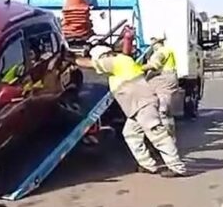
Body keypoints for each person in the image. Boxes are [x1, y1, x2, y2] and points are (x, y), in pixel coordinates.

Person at [74, 45, 187, 177]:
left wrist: (72, 57)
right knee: (130, 134)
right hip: (136, 108)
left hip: (143, 105)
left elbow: (89, 63)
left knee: (157, 135)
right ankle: (148, 165)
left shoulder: (117, 61)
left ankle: (177, 167)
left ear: (104, 56)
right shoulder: (121, 64)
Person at [142, 34, 180, 138]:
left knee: (162, 111)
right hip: (164, 80)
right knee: (165, 111)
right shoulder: (166, 50)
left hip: (164, 80)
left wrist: (137, 68)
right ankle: (168, 136)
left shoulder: (161, 52)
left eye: (152, 41)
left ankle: (167, 137)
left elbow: (155, 65)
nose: (151, 44)